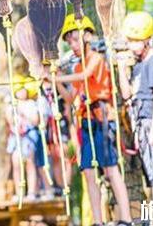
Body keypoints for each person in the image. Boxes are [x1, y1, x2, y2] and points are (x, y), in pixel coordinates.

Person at [53, 15, 132, 226]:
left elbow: (85, 76)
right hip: (86, 122)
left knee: (110, 168)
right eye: (69, 41)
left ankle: (125, 218)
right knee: (88, 171)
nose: (72, 45)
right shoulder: (77, 67)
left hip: (102, 118)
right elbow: (71, 99)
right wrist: (55, 80)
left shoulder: (96, 58)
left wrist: (57, 78)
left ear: (87, 36)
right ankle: (97, 221)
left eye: (75, 39)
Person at [118, 11, 153, 225]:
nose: (131, 46)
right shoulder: (139, 64)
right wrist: (123, 70)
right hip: (140, 121)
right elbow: (127, 94)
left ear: (147, 39)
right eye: (130, 41)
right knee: (152, 172)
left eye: (135, 42)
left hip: (152, 121)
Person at [5, 75, 42, 200]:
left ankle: (31, 191)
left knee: (30, 163)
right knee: (16, 164)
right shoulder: (11, 105)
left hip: (29, 135)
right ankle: (19, 191)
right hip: (16, 136)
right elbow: (9, 121)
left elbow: (36, 120)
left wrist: (23, 111)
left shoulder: (31, 104)